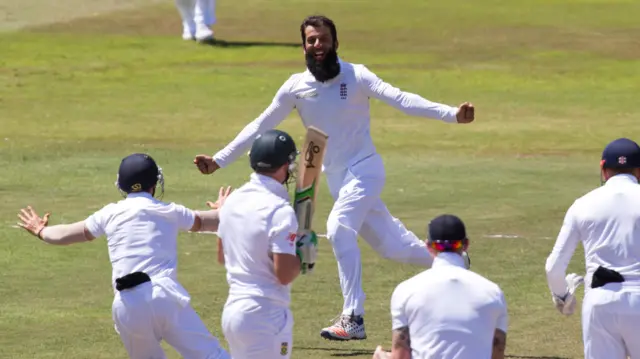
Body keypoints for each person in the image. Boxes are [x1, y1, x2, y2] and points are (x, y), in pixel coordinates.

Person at [192, 14, 475, 340]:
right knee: (393, 247)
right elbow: (260, 125)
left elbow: (402, 99)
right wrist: (219, 159)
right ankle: (456, 261)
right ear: (303, 48)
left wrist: (452, 115)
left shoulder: (357, 76)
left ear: (335, 43)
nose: (317, 45)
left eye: (323, 39)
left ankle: (353, 317)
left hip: (365, 169)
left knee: (339, 228)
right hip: (339, 180)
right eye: (311, 40)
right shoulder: (295, 87)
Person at [16, 153, 231, 359]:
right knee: (211, 355)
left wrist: (40, 230)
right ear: (154, 184)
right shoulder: (169, 210)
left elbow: (64, 235)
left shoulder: (109, 214)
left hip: (127, 303)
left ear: (121, 184)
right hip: (164, 295)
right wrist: (224, 210)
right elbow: (209, 221)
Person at [216, 129, 317, 359]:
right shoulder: (280, 211)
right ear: (286, 165)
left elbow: (223, 256)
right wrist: (302, 255)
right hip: (265, 314)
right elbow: (283, 274)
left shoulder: (231, 203)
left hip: (233, 313)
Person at [545, 137, 640, 359]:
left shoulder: (583, 204)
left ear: (603, 168)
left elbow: (554, 267)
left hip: (600, 304)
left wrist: (563, 297)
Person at [372, 214, 508, 359]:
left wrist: (383, 357)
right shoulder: (493, 292)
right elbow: (497, 352)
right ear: (465, 245)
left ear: (428, 246)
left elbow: (401, 355)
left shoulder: (406, 290)